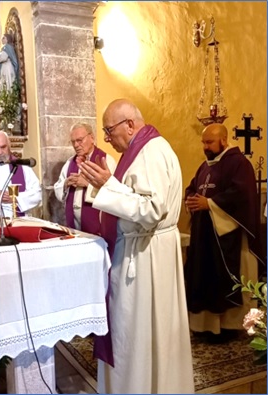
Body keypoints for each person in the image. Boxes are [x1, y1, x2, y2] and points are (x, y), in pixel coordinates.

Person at [79, 99, 194, 394]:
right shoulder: (142, 149)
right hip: (142, 251)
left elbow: (151, 211)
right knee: (142, 331)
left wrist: (108, 186)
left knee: (137, 332)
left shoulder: (152, 152)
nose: (106, 138)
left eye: (109, 130)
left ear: (130, 125)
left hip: (146, 255)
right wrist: (106, 186)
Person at [184, 123, 264, 342]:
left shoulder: (239, 164)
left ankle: (228, 327)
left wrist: (209, 203)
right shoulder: (205, 166)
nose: (205, 147)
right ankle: (205, 327)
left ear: (224, 140)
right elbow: (193, 187)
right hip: (205, 237)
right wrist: (191, 198)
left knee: (224, 281)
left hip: (227, 239)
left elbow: (242, 195)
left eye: (209, 142)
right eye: (203, 142)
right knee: (203, 276)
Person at [54, 123, 116, 235]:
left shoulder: (105, 160)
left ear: (92, 138)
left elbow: (114, 192)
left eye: (79, 140)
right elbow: (58, 186)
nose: (76, 145)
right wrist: (66, 183)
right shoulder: (69, 163)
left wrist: (88, 184)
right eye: (73, 142)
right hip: (74, 226)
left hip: (97, 228)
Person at [0, 130, 42, 218]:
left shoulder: (23, 167)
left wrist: (15, 199)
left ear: (9, 145)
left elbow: (37, 193)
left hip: (19, 220)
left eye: (3, 147)